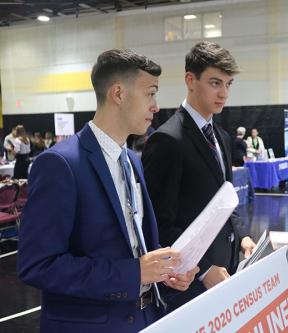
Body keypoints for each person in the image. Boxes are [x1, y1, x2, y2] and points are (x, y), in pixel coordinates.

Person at [17, 49, 199, 333]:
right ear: (118, 94)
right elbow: (38, 264)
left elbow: (134, 243)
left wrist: (164, 272)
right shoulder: (59, 164)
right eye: (150, 93)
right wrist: (133, 272)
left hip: (147, 318)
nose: (156, 106)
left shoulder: (133, 161)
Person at [142, 41, 256, 311]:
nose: (224, 93)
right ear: (190, 80)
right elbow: (159, 224)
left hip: (226, 268)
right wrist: (203, 270)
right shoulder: (167, 140)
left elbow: (226, 200)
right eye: (215, 83)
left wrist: (243, 237)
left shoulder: (222, 137)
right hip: (188, 282)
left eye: (229, 84)